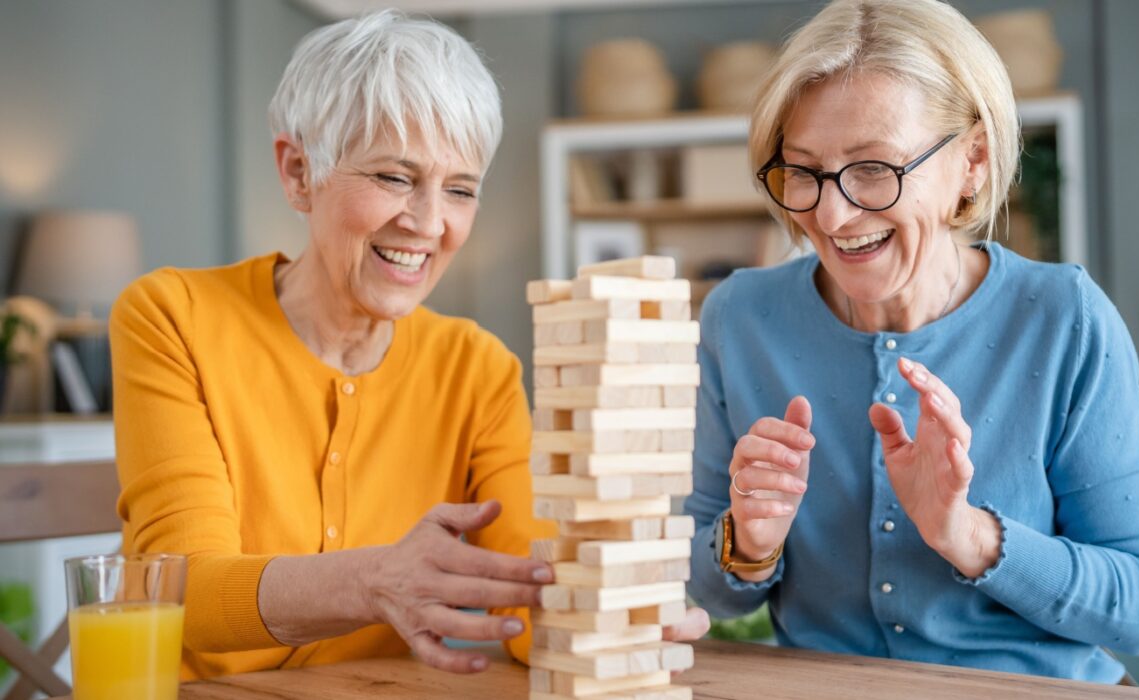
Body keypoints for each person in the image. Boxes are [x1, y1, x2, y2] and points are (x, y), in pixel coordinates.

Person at [110, 10, 705, 680]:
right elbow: (179, 597)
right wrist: (374, 580)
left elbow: (531, 585)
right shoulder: (173, 317)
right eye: (394, 177)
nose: (427, 222)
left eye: (460, 189)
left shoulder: (476, 368)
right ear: (300, 172)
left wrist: (611, 608)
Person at [684, 0, 1139, 685]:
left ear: (972, 160)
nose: (831, 214)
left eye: (873, 168)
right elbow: (708, 588)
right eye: (803, 170)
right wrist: (749, 545)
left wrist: (968, 535)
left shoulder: (1064, 319)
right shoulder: (740, 319)